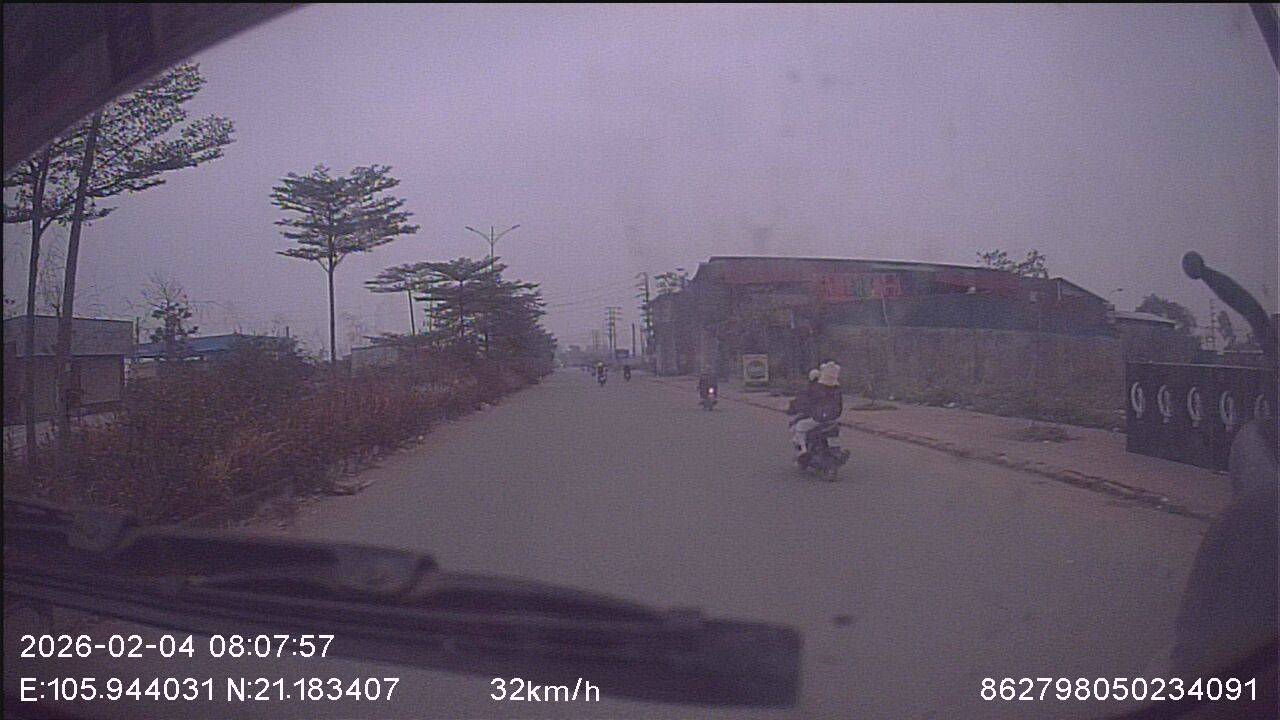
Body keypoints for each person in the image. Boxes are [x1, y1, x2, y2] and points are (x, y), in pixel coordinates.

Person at [789, 362, 843, 459]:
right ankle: (834, 450)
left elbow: (805, 402)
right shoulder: (836, 390)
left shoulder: (815, 389)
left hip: (819, 418)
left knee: (800, 427)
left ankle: (803, 450)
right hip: (832, 418)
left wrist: (795, 407)